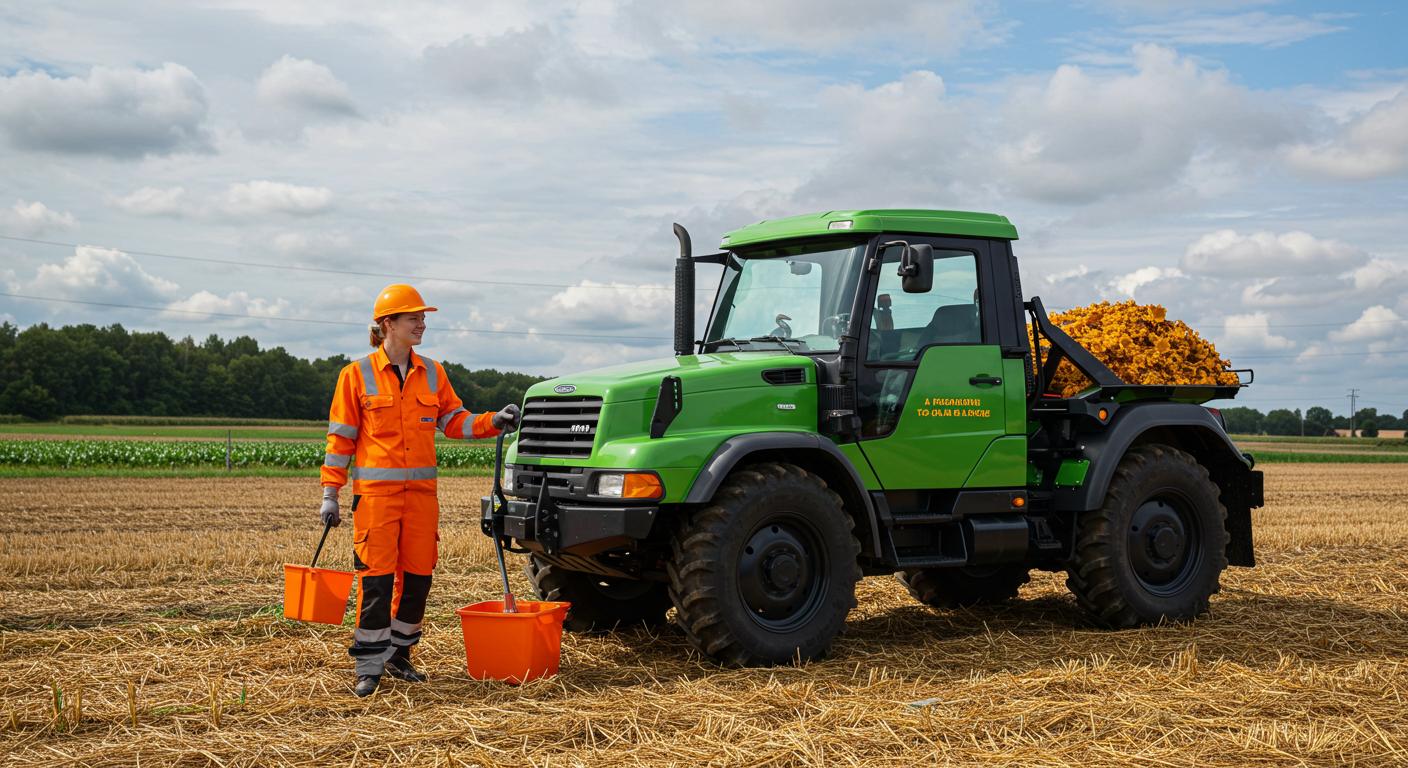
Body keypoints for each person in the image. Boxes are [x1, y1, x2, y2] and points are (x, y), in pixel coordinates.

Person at [319, 283, 520, 697]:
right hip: (376, 501)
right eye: (414, 318)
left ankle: (399, 655)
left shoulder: (433, 372)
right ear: (388, 324)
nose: (422, 324)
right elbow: (340, 440)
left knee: (417, 579)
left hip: (422, 500)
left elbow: (454, 421)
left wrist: (492, 421)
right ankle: (369, 666)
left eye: (423, 318)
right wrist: (330, 493)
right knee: (376, 582)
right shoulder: (355, 375)